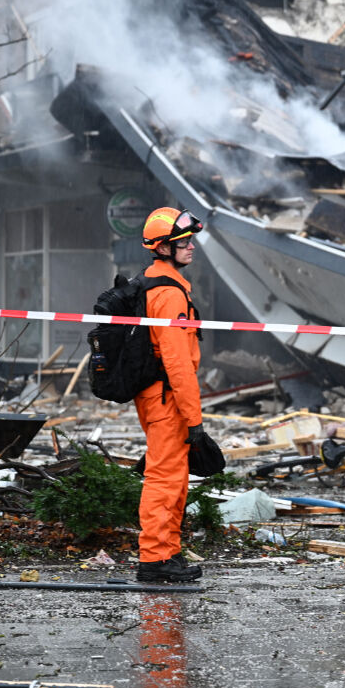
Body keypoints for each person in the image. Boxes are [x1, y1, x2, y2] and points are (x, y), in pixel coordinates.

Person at [135, 207, 207, 583]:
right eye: (183, 241)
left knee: (174, 476)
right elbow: (178, 363)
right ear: (163, 248)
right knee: (164, 478)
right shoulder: (169, 294)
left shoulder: (160, 285)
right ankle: (155, 559)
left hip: (160, 395)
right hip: (167, 399)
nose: (191, 246)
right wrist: (194, 419)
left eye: (190, 240)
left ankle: (168, 553)